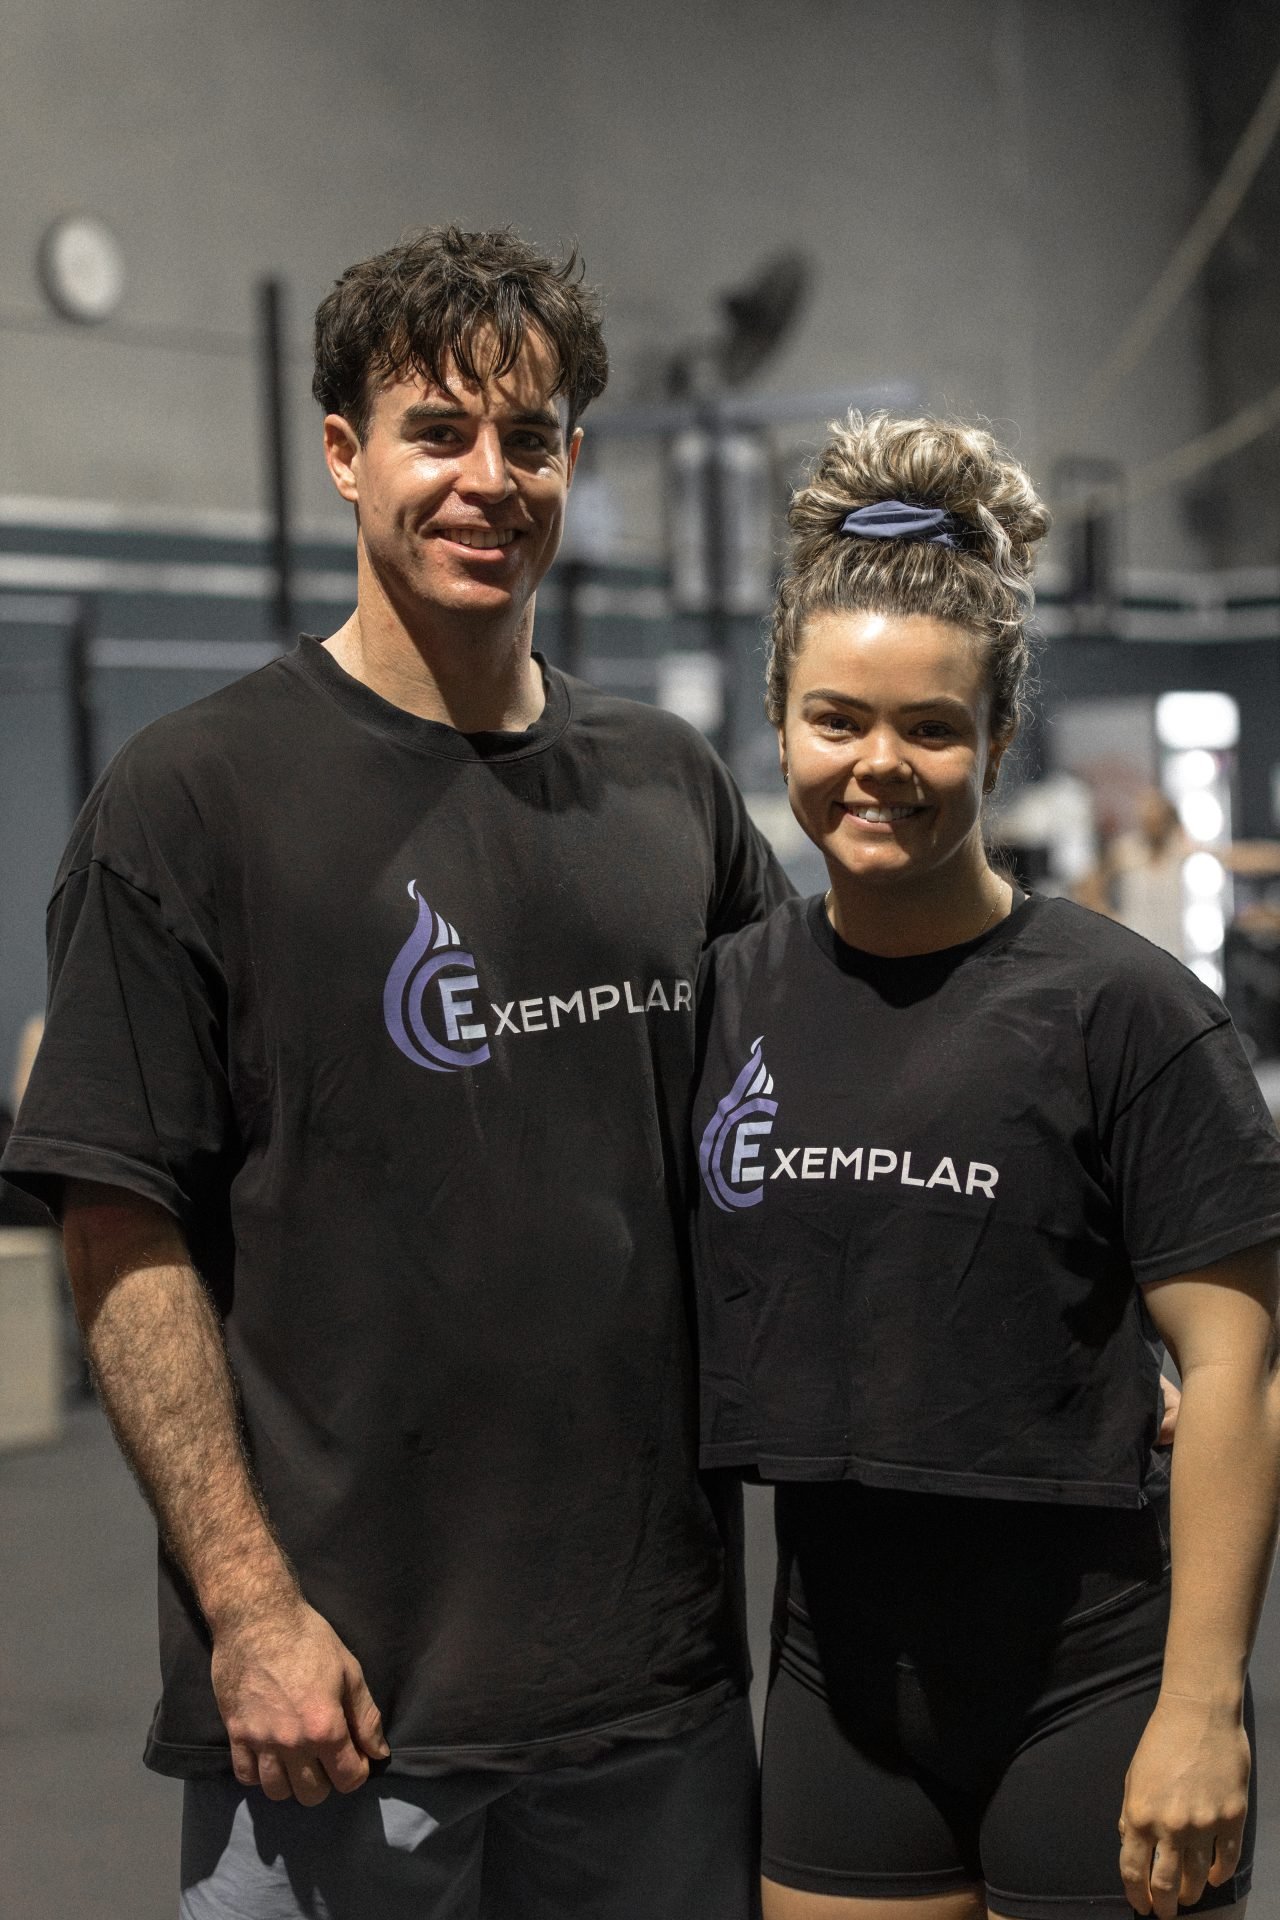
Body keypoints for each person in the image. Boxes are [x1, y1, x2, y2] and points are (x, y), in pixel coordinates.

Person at [1, 226, 792, 1919]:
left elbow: (813, 1127)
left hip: (651, 1699)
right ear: (349, 453)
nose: (487, 480)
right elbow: (119, 1232)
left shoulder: (670, 789)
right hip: (337, 1714)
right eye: (440, 431)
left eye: (531, 437)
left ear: (574, 460)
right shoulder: (190, 800)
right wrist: (248, 1608)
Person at [691, 414, 1280, 1920]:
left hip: (1092, 1686)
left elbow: (1238, 1371)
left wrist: (1206, 1703)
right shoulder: (732, 996)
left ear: (997, 739)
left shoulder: (1124, 1008)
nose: (878, 764)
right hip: (835, 1680)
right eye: (836, 720)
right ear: (779, 719)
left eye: (931, 729)